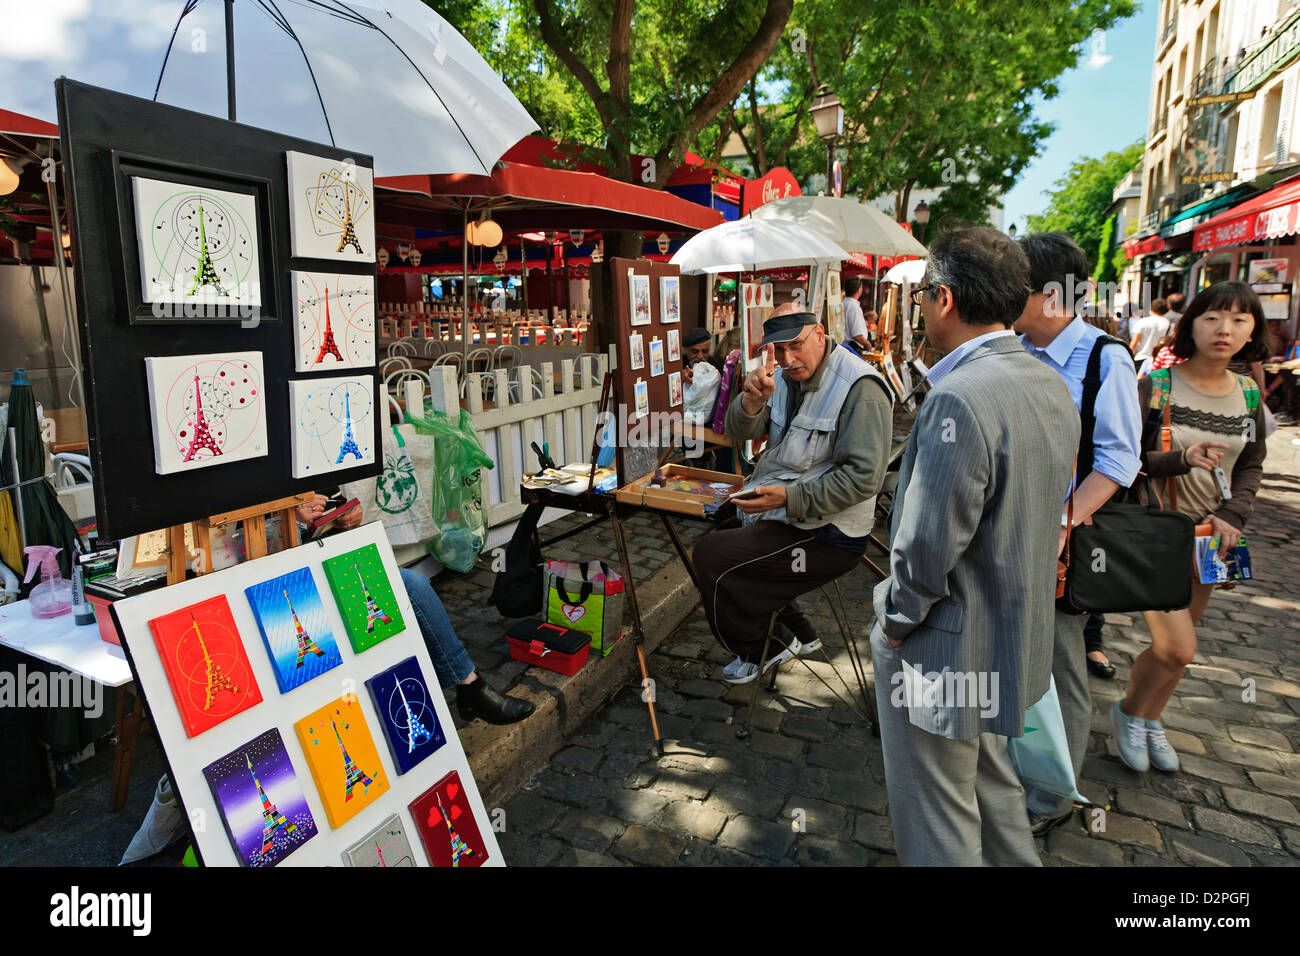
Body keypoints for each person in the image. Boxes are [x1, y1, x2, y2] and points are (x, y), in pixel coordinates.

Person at [872, 226, 1078, 866]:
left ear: (944, 298)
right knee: (992, 785)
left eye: (923, 297)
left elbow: (927, 546)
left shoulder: (961, 395)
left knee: (938, 811)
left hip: (948, 643)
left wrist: (895, 620)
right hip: (1009, 633)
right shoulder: (1045, 380)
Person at [1014, 232, 1143, 834]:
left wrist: (1063, 525)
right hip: (1010, 532)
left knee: (1059, 665)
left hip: (1063, 545)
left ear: (1051, 295)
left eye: (1014, 285)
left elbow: (1118, 460)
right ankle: (1018, 768)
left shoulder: (1103, 358)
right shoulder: (1015, 351)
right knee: (1019, 656)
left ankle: (1052, 798)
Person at [1112, 282, 1270, 772]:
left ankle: (1150, 718)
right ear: (1191, 325)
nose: (1225, 329)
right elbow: (1122, 460)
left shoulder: (1249, 393)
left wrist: (1233, 514)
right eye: (1212, 317)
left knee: (1182, 647)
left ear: (1252, 332)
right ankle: (1129, 713)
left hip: (1213, 538)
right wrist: (1180, 459)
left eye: (1239, 320)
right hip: (1157, 532)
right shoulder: (1156, 386)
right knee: (1178, 648)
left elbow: (1252, 465)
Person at [692, 302, 893, 683]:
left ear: (819, 334)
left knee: (712, 556)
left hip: (831, 533)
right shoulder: (783, 377)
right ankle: (800, 630)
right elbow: (737, 431)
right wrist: (751, 402)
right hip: (787, 513)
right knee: (722, 531)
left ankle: (767, 645)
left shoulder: (860, 388)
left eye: (796, 345)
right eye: (779, 349)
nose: (787, 359)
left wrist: (789, 500)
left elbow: (864, 478)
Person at [296, 493, 534, 725]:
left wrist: (344, 516)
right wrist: (294, 521)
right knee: (408, 585)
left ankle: (468, 684)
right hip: (292, 576)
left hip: (329, 559)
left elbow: (333, 506)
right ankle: (468, 690)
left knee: (413, 583)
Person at [1129, 297, 1172, 372]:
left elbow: (1134, 343)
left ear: (1151, 308)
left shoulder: (1143, 322)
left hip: (1141, 358)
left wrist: (1129, 357)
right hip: (1158, 360)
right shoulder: (1168, 324)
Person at [842, 275, 870, 350]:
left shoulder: (843, 303)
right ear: (859, 289)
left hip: (845, 346)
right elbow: (857, 335)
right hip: (852, 347)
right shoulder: (853, 307)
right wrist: (867, 344)